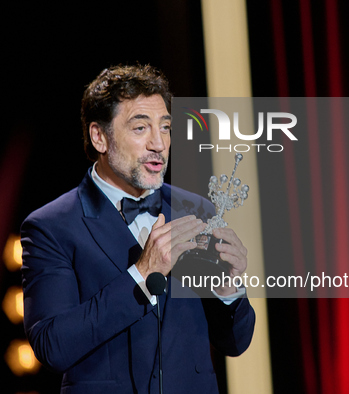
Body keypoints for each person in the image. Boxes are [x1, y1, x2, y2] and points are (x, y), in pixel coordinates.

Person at [21, 64, 255, 393]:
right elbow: (52, 345)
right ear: (99, 137)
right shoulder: (51, 226)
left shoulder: (197, 210)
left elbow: (235, 342)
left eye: (166, 127)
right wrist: (143, 274)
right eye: (140, 128)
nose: (159, 143)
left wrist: (230, 289)